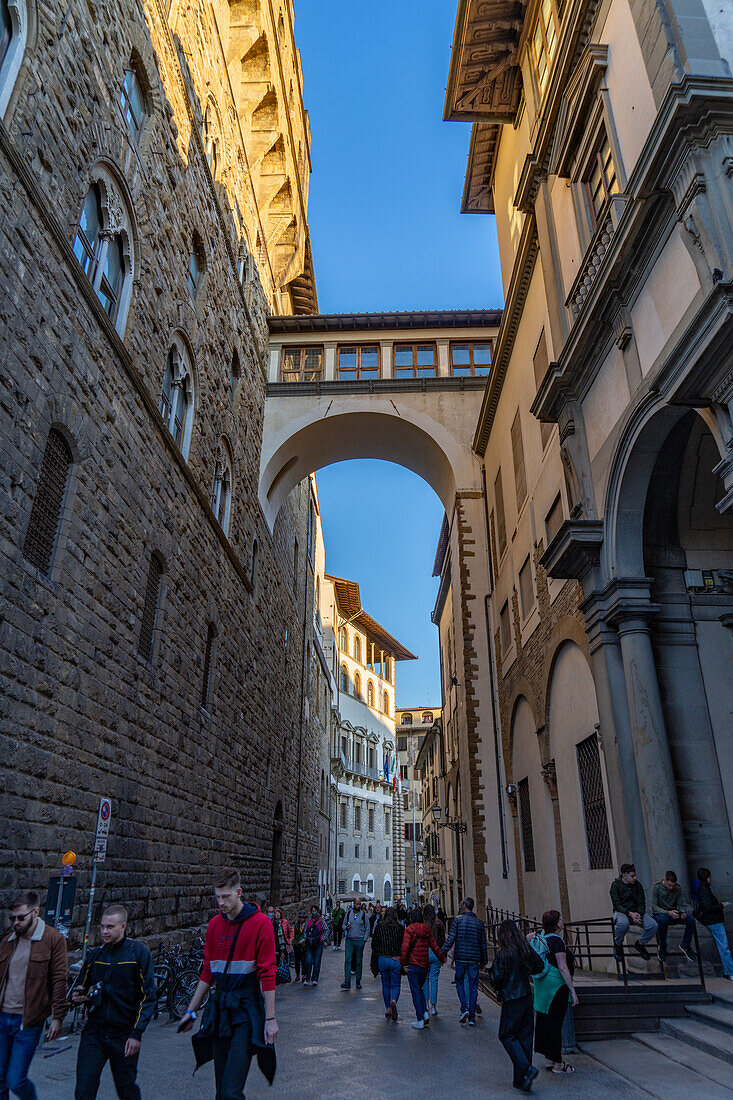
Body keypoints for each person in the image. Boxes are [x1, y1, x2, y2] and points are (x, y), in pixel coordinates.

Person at [179, 868, 278, 1099]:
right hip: (221, 1011)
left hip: (245, 1011)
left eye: (226, 896)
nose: (221, 902)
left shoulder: (261, 924)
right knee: (221, 1091)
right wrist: (190, 1012)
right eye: (218, 897)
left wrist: (270, 1019)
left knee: (231, 1091)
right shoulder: (214, 925)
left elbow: (268, 973)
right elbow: (207, 972)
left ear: (239, 892)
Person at [72, 903, 156, 1100]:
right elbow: (80, 987)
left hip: (124, 1034)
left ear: (123, 926)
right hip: (95, 1032)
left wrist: (137, 1033)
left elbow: (148, 996)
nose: (104, 931)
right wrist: (78, 997)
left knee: (126, 1090)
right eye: (102, 926)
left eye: (110, 927)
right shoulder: (95, 956)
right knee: (84, 1089)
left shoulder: (138, 953)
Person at [0, 889, 68, 1100]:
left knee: (15, 1080)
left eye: (21, 917)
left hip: (27, 1022)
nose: (16, 923)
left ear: (35, 912)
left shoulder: (52, 939)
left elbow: (59, 978)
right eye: (13, 918)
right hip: (2, 1018)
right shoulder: (7, 941)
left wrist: (58, 1017)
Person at [489, 920, 543, 1092]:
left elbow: (496, 978)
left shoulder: (503, 953)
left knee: (506, 1035)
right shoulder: (524, 950)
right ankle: (521, 1080)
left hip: (512, 999)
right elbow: (539, 966)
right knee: (524, 1036)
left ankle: (526, 1069)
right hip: (526, 996)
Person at [530, 910, 578, 1075]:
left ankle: (549, 1059)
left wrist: (539, 933)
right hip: (556, 986)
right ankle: (558, 1064)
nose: (563, 921)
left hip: (542, 986)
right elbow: (563, 967)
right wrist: (573, 990)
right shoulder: (557, 941)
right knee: (556, 1024)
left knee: (545, 1022)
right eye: (561, 918)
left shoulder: (542, 938)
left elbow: (528, 937)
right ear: (557, 924)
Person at [443, 897, 487, 1026]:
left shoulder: (457, 921)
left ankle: (464, 1008)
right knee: (473, 986)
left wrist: (442, 952)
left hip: (461, 958)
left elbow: (451, 939)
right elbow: (482, 944)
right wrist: (483, 960)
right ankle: (472, 1017)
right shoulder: (479, 923)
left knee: (460, 983)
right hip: (473, 959)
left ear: (464, 905)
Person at [400, 906, 446, 1029]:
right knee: (419, 989)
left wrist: (403, 963)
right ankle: (425, 1012)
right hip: (424, 964)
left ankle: (420, 1018)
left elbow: (405, 949)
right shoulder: (426, 929)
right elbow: (434, 945)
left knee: (416, 991)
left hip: (413, 964)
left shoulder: (409, 930)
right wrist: (442, 958)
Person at [610, 864, 658, 961]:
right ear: (624, 875)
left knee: (653, 925)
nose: (634, 878)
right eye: (632, 876)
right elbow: (617, 904)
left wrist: (638, 914)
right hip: (622, 911)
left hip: (636, 912)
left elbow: (641, 902)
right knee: (623, 924)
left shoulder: (637, 885)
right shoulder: (616, 886)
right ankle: (618, 944)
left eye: (634, 875)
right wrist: (629, 913)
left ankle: (640, 944)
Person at [693, 868, 733, 979]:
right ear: (707, 878)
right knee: (724, 947)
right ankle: (729, 972)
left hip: (713, 920)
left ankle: (729, 971)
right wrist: (722, 905)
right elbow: (708, 908)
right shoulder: (704, 890)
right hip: (714, 921)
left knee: (723, 946)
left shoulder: (703, 889)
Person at [651, 871, 697, 964]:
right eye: (669, 885)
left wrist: (682, 912)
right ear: (664, 880)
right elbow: (654, 907)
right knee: (663, 920)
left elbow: (680, 903)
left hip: (674, 912)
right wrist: (668, 913)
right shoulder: (656, 887)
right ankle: (662, 946)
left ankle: (685, 945)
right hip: (661, 913)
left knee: (691, 920)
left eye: (673, 885)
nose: (671, 888)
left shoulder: (677, 888)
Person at [371, 908, 404, 1020]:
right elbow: (403, 944)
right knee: (396, 985)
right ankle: (393, 1000)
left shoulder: (380, 927)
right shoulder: (400, 928)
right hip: (395, 959)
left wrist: (379, 952)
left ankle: (388, 1010)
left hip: (383, 959)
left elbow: (374, 944)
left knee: (385, 985)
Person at [422, 904, 446, 1016]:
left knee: (425, 979)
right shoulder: (439, 923)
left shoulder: (422, 925)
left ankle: (426, 1003)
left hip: (425, 953)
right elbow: (442, 940)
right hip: (436, 953)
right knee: (434, 980)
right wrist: (442, 955)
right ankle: (433, 1006)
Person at [340, 899, 369, 990]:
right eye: (357, 904)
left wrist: (364, 940)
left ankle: (358, 981)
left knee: (359, 961)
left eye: (359, 904)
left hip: (359, 940)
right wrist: (346, 928)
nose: (358, 906)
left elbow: (367, 928)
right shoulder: (348, 914)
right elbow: (343, 926)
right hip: (350, 940)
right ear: (353, 904)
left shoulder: (364, 915)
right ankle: (347, 981)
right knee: (348, 960)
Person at [303, 907, 325, 986]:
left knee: (317, 961)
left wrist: (322, 939)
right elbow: (305, 931)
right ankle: (307, 977)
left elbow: (326, 930)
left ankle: (315, 978)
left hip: (318, 943)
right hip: (309, 943)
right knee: (308, 960)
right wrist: (306, 939)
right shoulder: (308, 922)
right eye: (312, 911)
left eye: (315, 911)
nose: (314, 912)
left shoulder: (321, 921)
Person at [291, 911, 307, 982]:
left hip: (303, 945)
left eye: (303, 917)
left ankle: (304, 974)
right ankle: (297, 974)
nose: (301, 919)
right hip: (297, 944)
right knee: (297, 961)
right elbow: (293, 934)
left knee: (303, 960)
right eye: (300, 917)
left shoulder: (306, 925)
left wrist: (304, 939)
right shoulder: (296, 925)